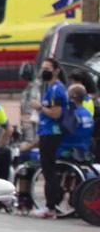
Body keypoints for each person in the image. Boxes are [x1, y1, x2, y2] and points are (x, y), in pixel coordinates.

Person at [35, 61, 71, 218]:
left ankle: (51, 206)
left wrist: (39, 107)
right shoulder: (50, 88)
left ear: (56, 71)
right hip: (45, 131)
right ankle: (53, 203)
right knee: (47, 168)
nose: (44, 72)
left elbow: (56, 113)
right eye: (43, 69)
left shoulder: (57, 89)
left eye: (47, 69)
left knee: (49, 169)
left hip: (52, 133)